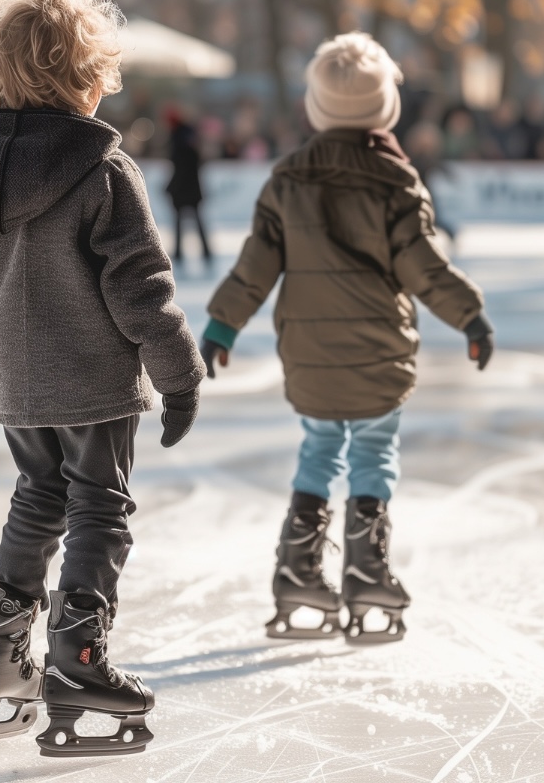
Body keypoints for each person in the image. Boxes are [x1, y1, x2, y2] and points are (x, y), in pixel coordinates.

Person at [0, 0, 205, 757]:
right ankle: (78, 660)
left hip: (20, 390)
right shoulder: (104, 172)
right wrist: (179, 375)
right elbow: (142, 291)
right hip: (94, 383)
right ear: (89, 75)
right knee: (98, 509)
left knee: (37, 501)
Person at [199, 32, 494, 644]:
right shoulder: (396, 181)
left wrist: (222, 325)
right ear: (386, 108)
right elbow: (424, 267)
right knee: (372, 452)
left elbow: (255, 266)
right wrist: (469, 316)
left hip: (308, 357)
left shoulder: (287, 179)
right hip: (378, 353)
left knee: (318, 448)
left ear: (314, 107)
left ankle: (298, 570)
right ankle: (365, 569)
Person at [165, 108, 212, 263]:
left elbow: (182, 165)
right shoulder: (187, 134)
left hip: (184, 188)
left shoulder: (180, 135)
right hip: (191, 187)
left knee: (184, 222)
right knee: (192, 221)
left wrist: (172, 186)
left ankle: (184, 253)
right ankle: (203, 253)